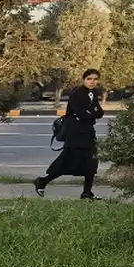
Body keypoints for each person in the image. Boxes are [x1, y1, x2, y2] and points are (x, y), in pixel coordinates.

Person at [35, 68, 105, 199]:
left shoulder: (94, 93)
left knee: (90, 163)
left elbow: (99, 113)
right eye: (89, 79)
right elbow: (81, 114)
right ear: (83, 80)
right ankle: (43, 181)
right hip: (75, 135)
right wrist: (91, 113)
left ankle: (87, 192)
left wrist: (91, 113)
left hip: (88, 134)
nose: (92, 82)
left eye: (95, 79)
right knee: (67, 162)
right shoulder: (77, 94)